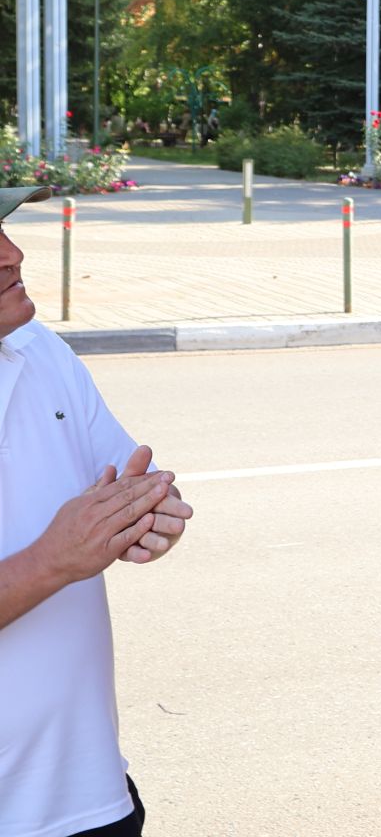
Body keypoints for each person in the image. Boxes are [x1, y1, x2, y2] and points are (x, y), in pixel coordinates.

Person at [0, 185, 194, 837]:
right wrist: (52, 561)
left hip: (90, 799)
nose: (13, 253)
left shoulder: (40, 352)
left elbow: (118, 482)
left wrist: (145, 516)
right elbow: (65, 548)